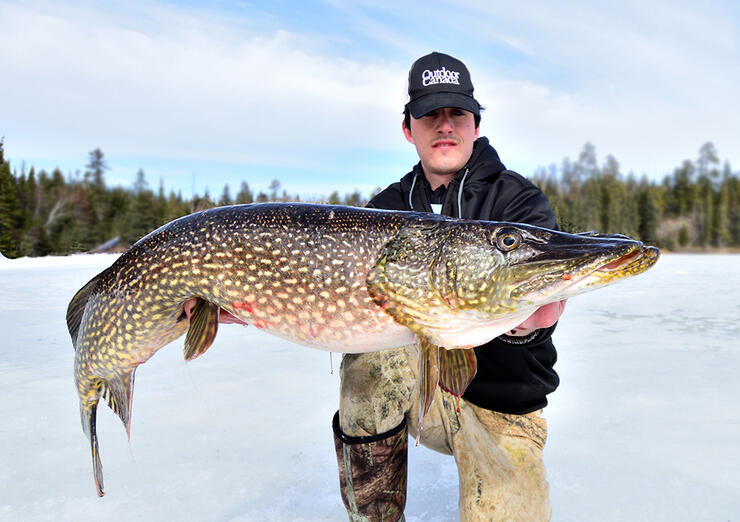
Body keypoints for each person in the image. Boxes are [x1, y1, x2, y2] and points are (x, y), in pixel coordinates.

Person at [332, 52, 565, 521]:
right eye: (430, 114)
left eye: (456, 113)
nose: (444, 126)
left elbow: (537, 297)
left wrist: (529, 327)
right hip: (421, 396)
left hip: (503, 408)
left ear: (475, 124)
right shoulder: (386, 209)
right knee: (369, 366)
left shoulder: (517, 202)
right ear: (408, 128)